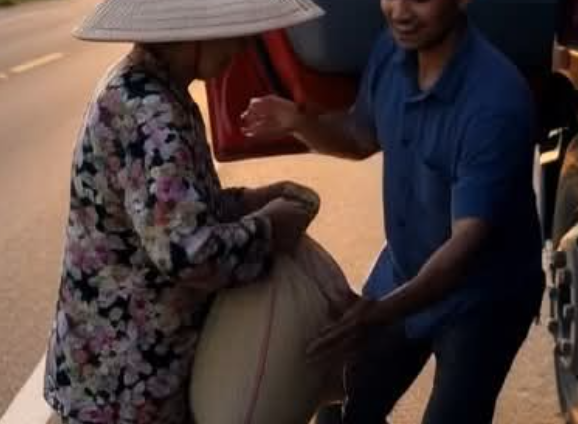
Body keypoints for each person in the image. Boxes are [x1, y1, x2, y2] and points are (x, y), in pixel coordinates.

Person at [241, 0, 545, 422]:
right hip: (403, 269)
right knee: (340, 408)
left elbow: (465, 248)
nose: (399, 11)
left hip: (482, 298)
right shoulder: (391, 51)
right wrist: (299, 122)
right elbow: (359, 136)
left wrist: (379, 313)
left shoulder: (496, 103)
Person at [43, 0, 324, 422]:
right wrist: (269, 229)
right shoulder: (151, 110)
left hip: (116, 376)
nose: (243, 47)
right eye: (237, 32)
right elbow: (187, 252)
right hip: (125, 388)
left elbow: (173, 211)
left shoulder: (145, 87)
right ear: (197, 32)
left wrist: (247, 202)